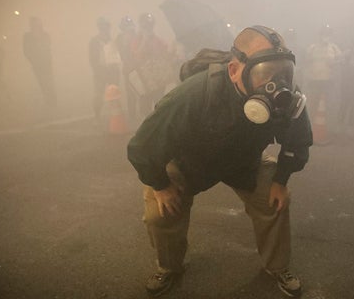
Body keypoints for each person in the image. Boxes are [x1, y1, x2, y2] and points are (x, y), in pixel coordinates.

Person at [127, 26, 312, 298]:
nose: (277, 82)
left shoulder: (286, 98)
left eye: (283, 69)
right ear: (235, 70)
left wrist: (280, 180)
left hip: (243, 162)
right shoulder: (194, 94)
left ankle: (277, 266)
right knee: (160, 212)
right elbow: (143, 146)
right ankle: (169, 266)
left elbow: (297, 142)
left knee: (275, 202)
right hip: (189, 161)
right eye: (265, 72)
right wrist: (160, 184)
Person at [305, 25, 342, 143]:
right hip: (314, 80)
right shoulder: (312, 48)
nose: (325, 36)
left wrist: (334, 63)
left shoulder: (334, 48)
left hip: (328, 81)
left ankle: (327, 131)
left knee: (328, 107)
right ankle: (308, 131)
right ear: (319, 35)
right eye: (323, 34)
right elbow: (306, 61)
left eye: (327, 34)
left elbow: (341, 60)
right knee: (312, 106)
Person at [88, 17, 121, 121]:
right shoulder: (94, 41)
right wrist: (97, 70)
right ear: (99, 28)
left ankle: (115, 117)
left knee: (114, 95)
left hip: (112, 71)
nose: (105, 29)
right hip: (100, 72)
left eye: (107, 27)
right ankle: (97, 116)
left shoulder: (113, 41)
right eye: (103, 27)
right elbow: (92, 59)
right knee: (99, 95)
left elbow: (117, 56)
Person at [23, 16, 56, 107]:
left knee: (49, 81)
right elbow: (26, 50)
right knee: (42, 82)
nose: (36, 24)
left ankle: (53, 100)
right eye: (34, 23)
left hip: (46, 63)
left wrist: (48, 59)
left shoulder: (45, 35)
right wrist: (32, 60)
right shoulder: (27, 36)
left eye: (38, 22)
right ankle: (48, 99)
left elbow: (48, 47)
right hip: (37, 64)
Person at [115, 16, 139, 119]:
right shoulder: (119, 38)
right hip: (128, 69)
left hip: (140, 67)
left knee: (143, 91)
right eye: (126, 26)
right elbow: (118, 53)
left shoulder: (138, 36)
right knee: (130, 92)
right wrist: (126, 42)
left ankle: (144, 112)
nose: (129, 28)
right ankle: (132, 115)